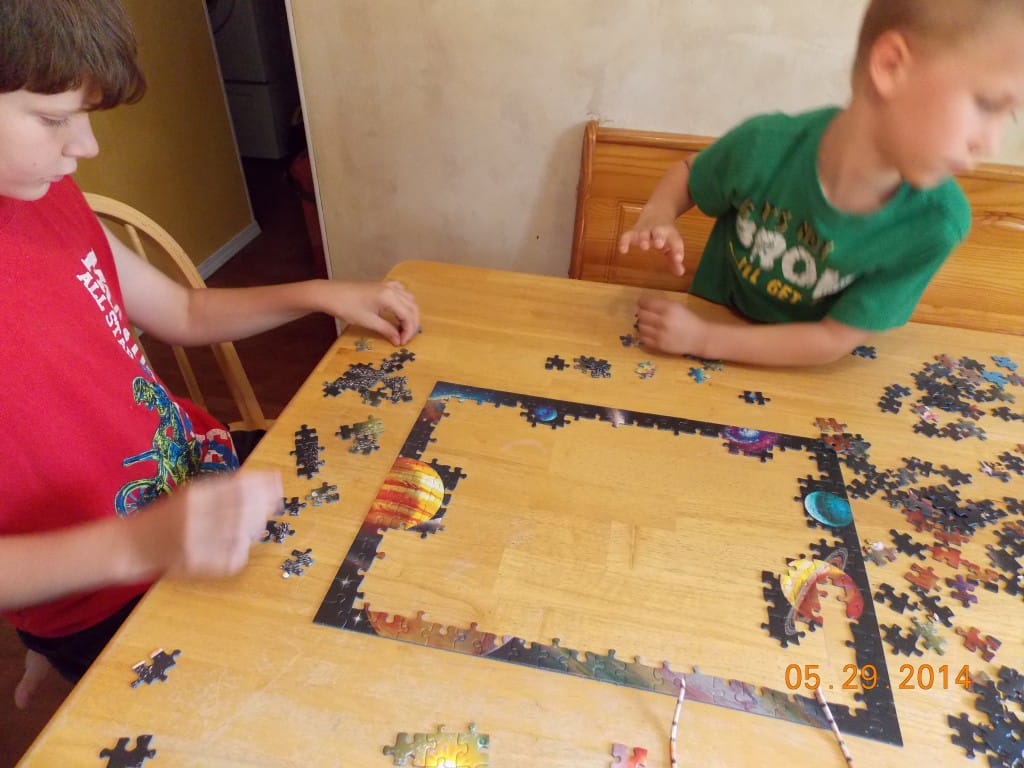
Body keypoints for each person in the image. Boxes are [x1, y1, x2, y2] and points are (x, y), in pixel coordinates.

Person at [0, 0, 420, 707]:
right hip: (101, 586)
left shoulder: (51, 196)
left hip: (199, 476)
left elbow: (182, 311)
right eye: (53, 119)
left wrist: (319, 293)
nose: (88, 147)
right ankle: (57, 658)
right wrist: (142, 544)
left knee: (390, 511)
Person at [619, 0, 1024, 366]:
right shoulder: (764, 143)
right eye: (986, 104)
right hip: (706, 324)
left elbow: (833, 339)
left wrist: (704, 340)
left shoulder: (937, 224)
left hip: (779, 367)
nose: (990, 143)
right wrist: (659, 213)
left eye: (1009, 115)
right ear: (891, 67)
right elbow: (690, 174)